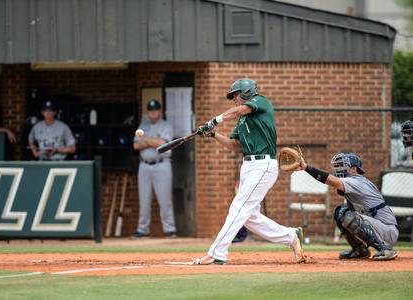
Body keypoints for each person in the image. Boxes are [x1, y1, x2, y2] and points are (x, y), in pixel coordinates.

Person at [192, 78, 305, 265]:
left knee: (239, 207)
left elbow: (239, 110)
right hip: (248, 167)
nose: (234, 99)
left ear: (247, 92)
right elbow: (236, 146)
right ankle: (291, 235)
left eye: (236, 95)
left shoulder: (261, 102)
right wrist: (212, 134)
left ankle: (217, 252)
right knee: (249, 216)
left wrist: (214, 121)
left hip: (263, 165)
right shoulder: (242, 120)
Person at [298, 152, 398, 261]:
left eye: (342, 166)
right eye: (337, 166)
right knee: (340, 212)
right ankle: (360, 250)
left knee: (350, 216)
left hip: (388, 231)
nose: (338, 170)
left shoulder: (356, 181)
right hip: (379, 226)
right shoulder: (355, 181)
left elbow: (330, 180)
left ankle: (385, 249)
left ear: (354, 169)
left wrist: (306, 167)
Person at [132, 99, 177, 238]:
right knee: (144, 200)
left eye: (156, 110)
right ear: (148, 112)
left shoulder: (166, 126)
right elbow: (136, 146)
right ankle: (142, 230)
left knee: (165, 199)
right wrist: (153, 140)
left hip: (161, 165)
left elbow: (162, 144)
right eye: (151, 111)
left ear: (160, 111)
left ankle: (170, 229)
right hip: (144, 166)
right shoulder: (143, 126)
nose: (153, 113)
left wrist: (145, 139)